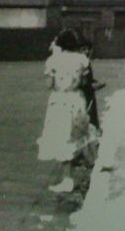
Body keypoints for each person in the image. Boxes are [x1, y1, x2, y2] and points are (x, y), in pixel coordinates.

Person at [37, 29, 99, 193]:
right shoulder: (82, 59)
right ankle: (95, 165)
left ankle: (68, 179)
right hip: (77, 99)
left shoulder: (53, 61)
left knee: (63, 138)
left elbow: (49, 84)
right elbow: (85, 81)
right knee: (81, 133)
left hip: (59, 101)